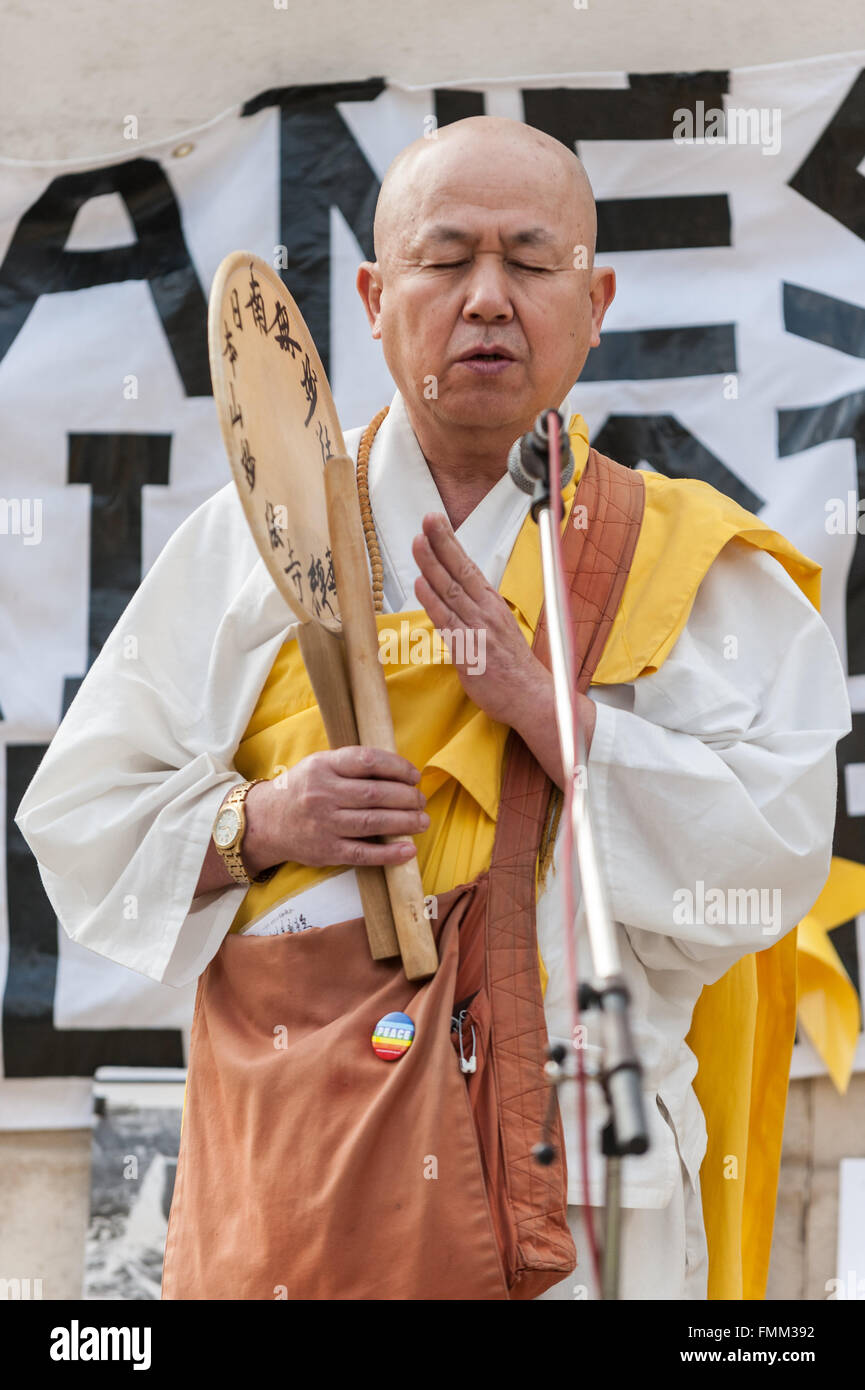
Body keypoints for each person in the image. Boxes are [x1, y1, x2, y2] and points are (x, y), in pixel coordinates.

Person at [15, 116, 851, 1300]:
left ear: (597, 296)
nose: (489, 299)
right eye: (446, 259)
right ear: (371, 293)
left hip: (572, 1193)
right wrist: (258, 823)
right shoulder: (256, 542)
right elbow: (81, 816)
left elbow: (770, 860)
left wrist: (551, 715)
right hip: (306, 1179)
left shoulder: (691, 561)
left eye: (530, 260)